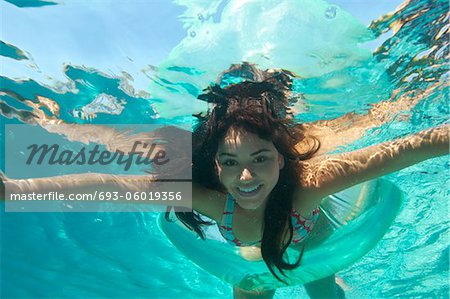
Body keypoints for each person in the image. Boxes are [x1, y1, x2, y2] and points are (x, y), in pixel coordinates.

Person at [1, 63, 448, 299]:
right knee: (255, 287)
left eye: (260, 158)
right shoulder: (216, 202)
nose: (246, 176)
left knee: (323, 292)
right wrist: (16, 189)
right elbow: (111, 187)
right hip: (255, 255)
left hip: (320, 245)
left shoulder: (310, 184)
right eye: (230, 162)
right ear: (214, 166)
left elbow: (406, 149)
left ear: (281, 158)